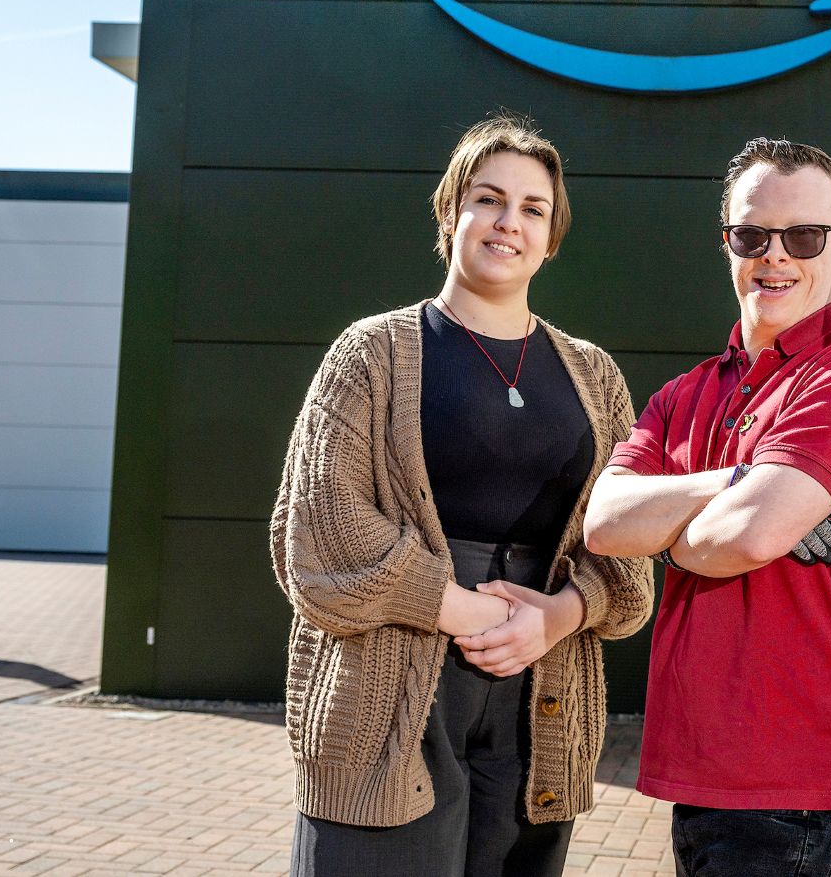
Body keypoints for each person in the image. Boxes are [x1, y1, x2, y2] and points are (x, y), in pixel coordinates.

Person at [269, 113, 654, 877]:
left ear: (552, 237)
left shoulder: (594, 373)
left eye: (533, 208)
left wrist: (558, 616)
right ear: (451, 213)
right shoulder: (371, 352)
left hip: (539, 697)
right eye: (489, 198)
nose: (509, 221)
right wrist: (472, 611)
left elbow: (628, 550)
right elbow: (319, 531)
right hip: (388, 687)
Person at [582, 138, 831, 877]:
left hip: (797, 781)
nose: (775, 256)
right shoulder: (686, 391)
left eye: (804, 236)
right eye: (752, 235)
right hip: (704, 773)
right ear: (728, 243)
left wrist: (675, 526)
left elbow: (749, 535)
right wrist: (743, 478)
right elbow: (604, 520)